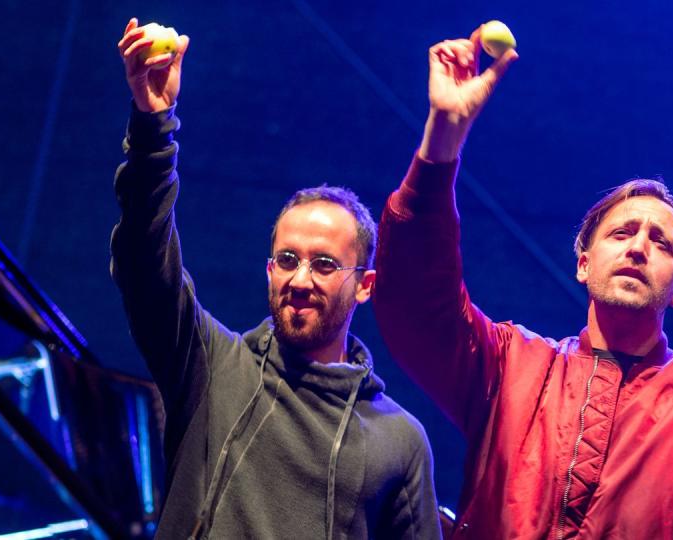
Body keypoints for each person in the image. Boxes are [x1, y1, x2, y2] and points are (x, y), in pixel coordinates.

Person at [372, 28, 673, 539]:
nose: (638, 247)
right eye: (622, 233)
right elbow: (415, 304)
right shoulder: (510, 365)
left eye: (661, 244)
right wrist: (443, 139)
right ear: (583, 263)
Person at [111, 18, 441, 539]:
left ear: (365, 284)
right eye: (287, 259)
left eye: (325, 264)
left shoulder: (398, 439)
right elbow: (142, 260)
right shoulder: (213, 368)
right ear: (269, 269)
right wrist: (155, 124)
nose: (301, 278)